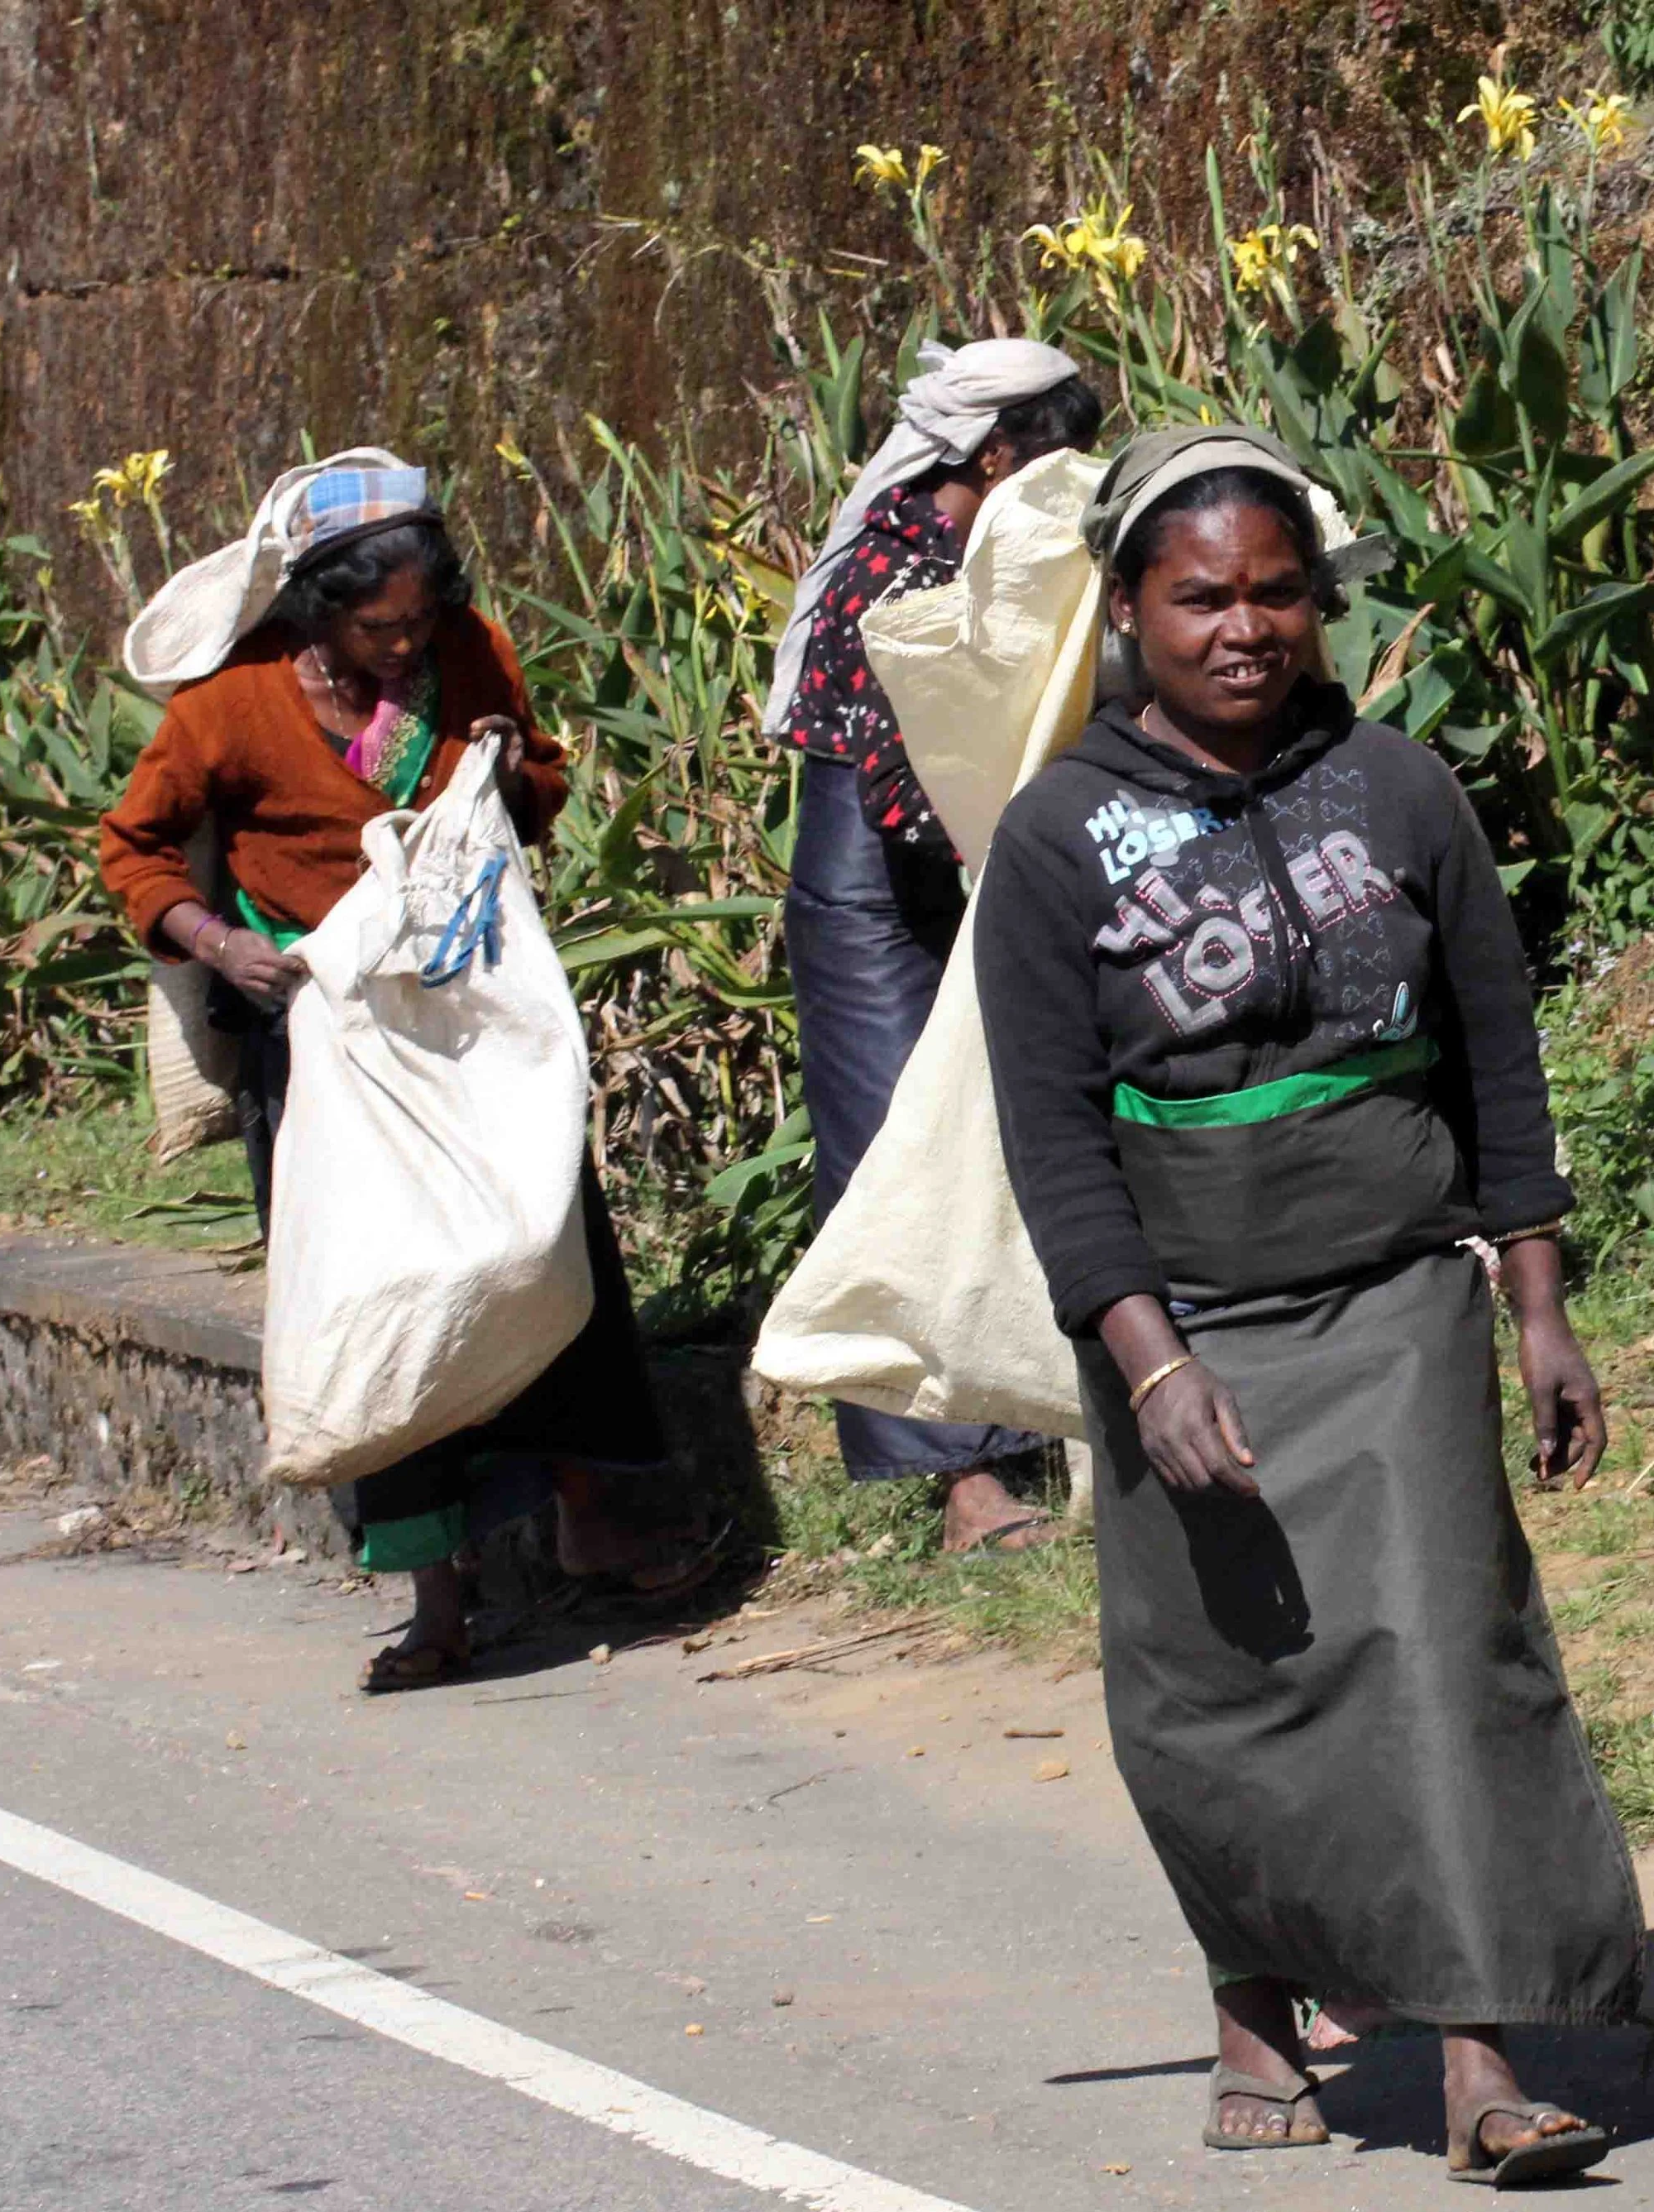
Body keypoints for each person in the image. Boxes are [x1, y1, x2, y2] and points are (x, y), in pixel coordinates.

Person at [973, 426, 1642, 2186]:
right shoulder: (1052, 841)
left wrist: (1535, 1302)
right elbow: (1048, 1133)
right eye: (1199, 596)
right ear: (1127, 610)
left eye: (1276, 592)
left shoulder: (1400, 793)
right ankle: (1253, 1992)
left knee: (1437, 1651)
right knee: (1230, 1683)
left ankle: (1477, 2060)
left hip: (1390, 1297)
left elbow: (1496, 1062)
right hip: (1180, 1309)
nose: (1243, 627)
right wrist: (1147, 1354)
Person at [100, 453, 706, 1690]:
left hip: (469, 1012)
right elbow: (136, 848)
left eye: (422, 617)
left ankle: (587, 1511)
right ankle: (438, 1591)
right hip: (321, 1036)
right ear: (318, 609)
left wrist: (505, 763)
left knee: (539, 1237)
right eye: (380, 626)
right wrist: (219, 945)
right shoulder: (233, 705)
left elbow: (535, 782)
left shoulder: (466, 652)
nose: (407, 643)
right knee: (372, 1291)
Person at [766, 340, 1103, 1550]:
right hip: (872, 901)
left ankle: (1036, 1420)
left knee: (994, 1138)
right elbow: (901, 770)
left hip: (951, 876)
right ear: (996, 453)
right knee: (895, 1151)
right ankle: (963, 1485)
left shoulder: (976, 557)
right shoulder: (892, 569)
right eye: (1051, 457)